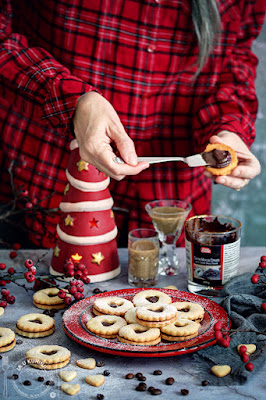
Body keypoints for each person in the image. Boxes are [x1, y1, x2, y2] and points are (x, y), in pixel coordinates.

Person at [0, 0, 265, 248]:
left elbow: (234, 58)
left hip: (170, 198)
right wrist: (71, 100)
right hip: (45, 181)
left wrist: (228, 127)